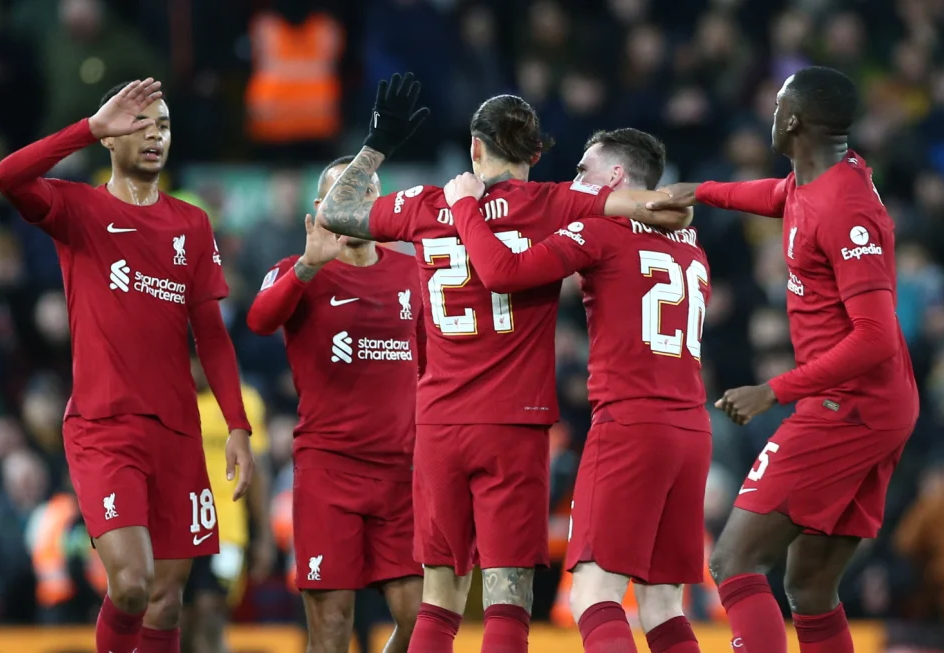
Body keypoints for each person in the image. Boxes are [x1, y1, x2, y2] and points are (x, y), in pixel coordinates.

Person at [313, 73, 690, 653]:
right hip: (515, 424)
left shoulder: (425, 205)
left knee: (438, 598)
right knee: (508, 599)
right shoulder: (556, 202)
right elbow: (658, 207)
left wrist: (379, 142)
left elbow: (337, 212)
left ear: (474, 148)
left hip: (438, 422)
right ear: (537, 155)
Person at [646, 65, 919, 653]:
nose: (769, 114)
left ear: (793, 120)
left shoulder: (848, 208)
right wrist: (701, 192)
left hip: (853, 406)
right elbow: (780, 197)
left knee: (734, 560)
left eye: (776, 106)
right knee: (810, 587)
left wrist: (775, 390)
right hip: (868, 405)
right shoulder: (815, 181)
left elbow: (875, 337)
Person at [0, 79, 254, 653]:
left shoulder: (191, 223)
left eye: (163, 125)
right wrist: (86, 128)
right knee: (132, 585)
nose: (156, 134)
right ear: (113, 138)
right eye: (141, 124)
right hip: (104, 427)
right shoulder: (80, 210)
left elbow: (211, 335)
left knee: (166, 597)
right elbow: (8, 176)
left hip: (180, 432)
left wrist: (236, 424)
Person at [444, 128, 710, 653]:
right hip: (691, 431)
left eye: (585, 170)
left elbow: (503, 272)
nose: (574, 181)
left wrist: (464, 208)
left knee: (594, 597)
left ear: (615, 177)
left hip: (631, 426)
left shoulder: (599, 231)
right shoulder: (693, 248)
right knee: (662, 607)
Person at [246, 156, 426, 653]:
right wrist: (308, 264)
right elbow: (259, 320)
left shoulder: (413, 273)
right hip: (330, 472)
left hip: (402, 475)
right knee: (330, 630)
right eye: (342, 195)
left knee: (423, 622)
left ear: (380, 204)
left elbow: (432, 365)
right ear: (321, 208)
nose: (355, 204)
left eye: (365, 193)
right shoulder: (297, 272)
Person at [181, 356, 273, 653]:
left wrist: (265, 537)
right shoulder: (174, 401)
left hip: (229, 531)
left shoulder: (245, 401)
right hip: (181, 525)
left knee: (212, 609)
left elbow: (258, 474)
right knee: (180, 617)